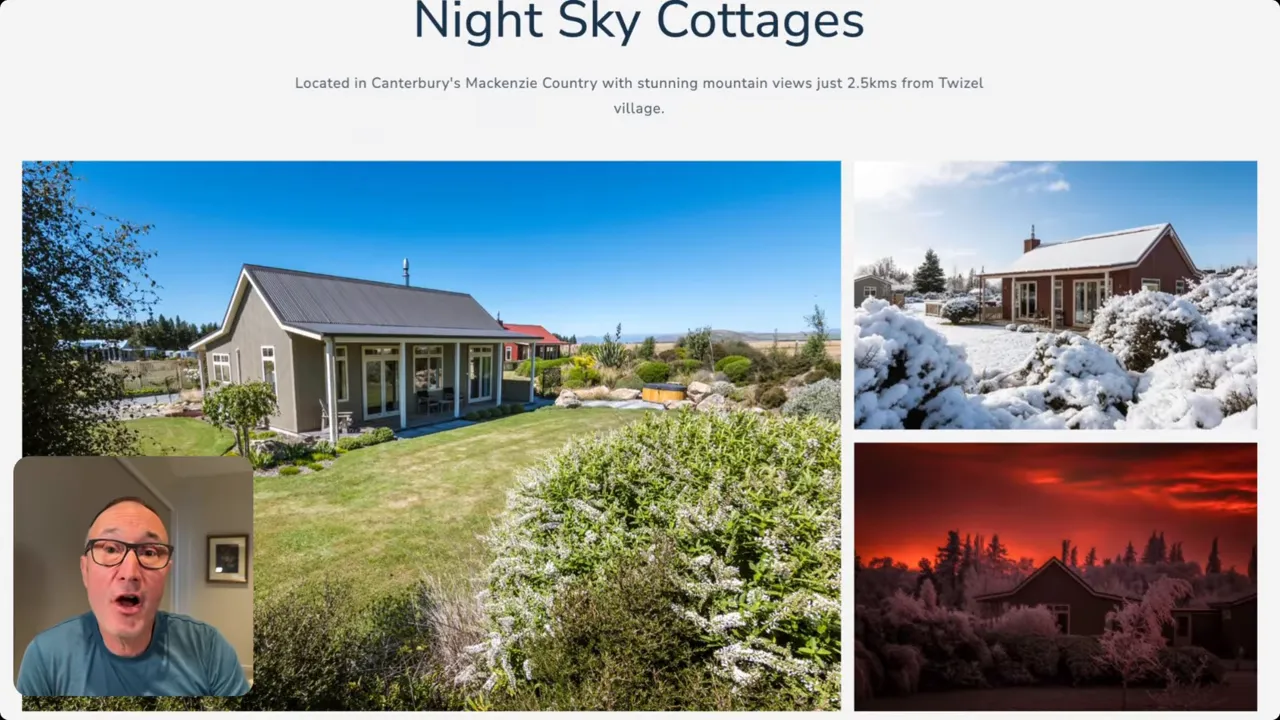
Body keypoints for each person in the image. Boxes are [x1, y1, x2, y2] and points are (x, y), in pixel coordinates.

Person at [17, 496, 250, 697]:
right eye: (109, 549)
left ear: (166, 572)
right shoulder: (44, 657)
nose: (130, 574)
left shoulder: (208, 648)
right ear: (85, 570)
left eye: (149, 552)